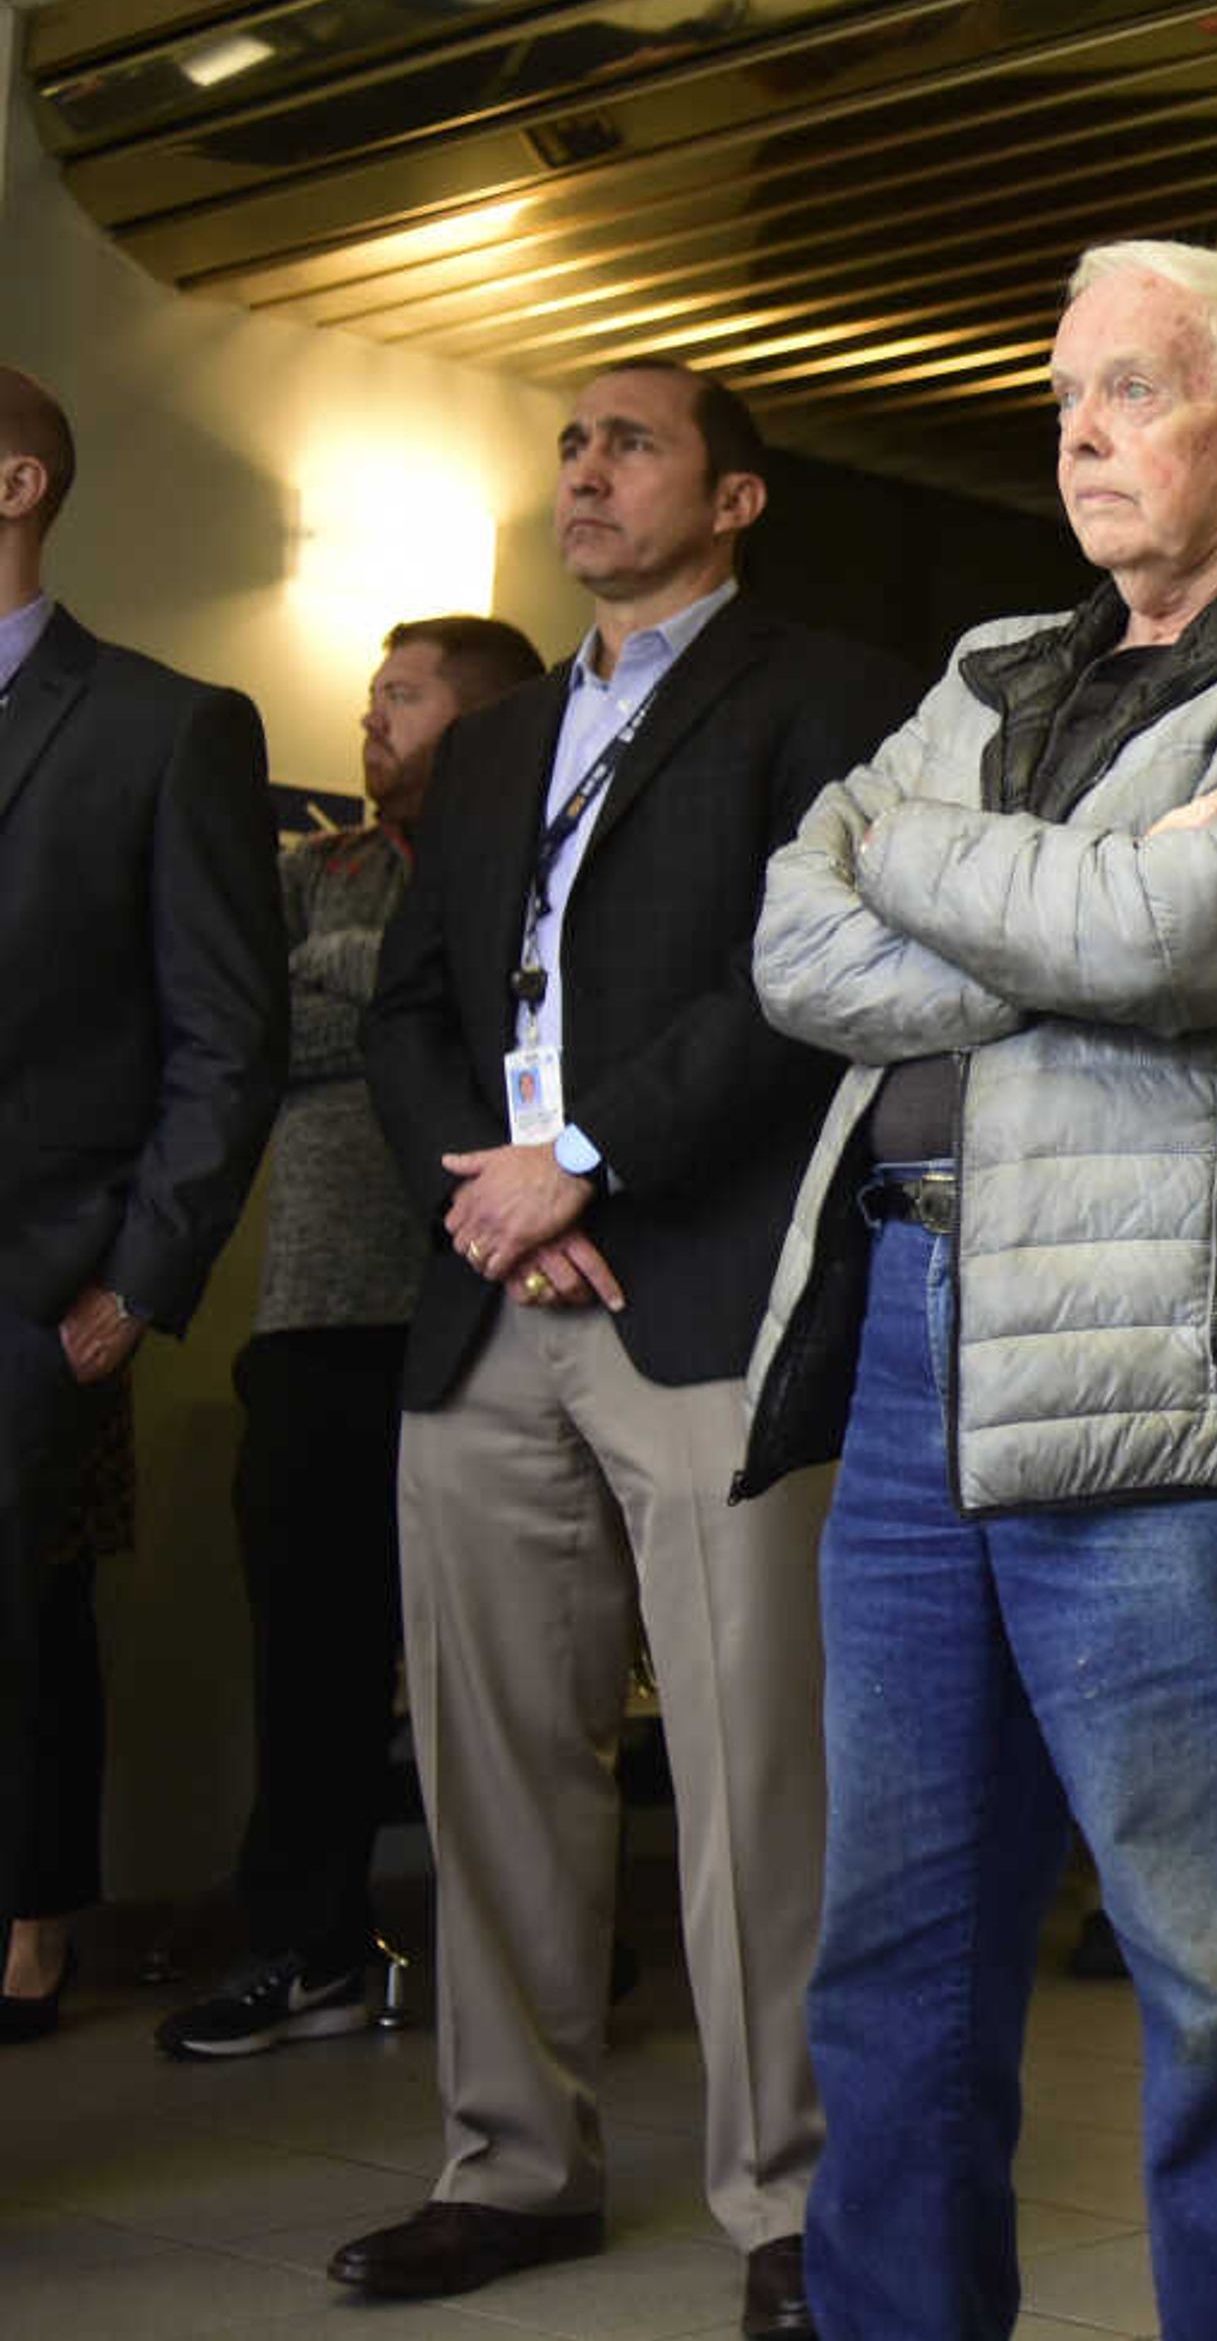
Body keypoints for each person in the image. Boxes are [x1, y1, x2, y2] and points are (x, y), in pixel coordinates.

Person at [741, 240, 1217, 2339]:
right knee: (895, 1952)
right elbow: (796, 933)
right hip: (905, 1353)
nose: (1078, 432)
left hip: (1166, 1377)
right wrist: (1075, 906)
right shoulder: (983, 670)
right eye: (1066, 394)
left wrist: (936, 868)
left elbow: (1180, 934)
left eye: (1134, 389)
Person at [347, 362, 917, 2328]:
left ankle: (792, 2205)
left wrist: (588, 1162)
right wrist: (490, 1192)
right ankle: (509, 2166)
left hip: (700, 1287)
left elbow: (809, 977)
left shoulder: (826, 692)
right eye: (572, 443)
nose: (585, 471)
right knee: (489, 1756)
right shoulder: (498, 740)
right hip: (491, 1296)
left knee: (762, 1767)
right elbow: (409, 1007)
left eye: (634, 443)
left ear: (736, 500)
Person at [158, 614, 546, 2062]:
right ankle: (304, 1948)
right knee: (310, 1659)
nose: (370, 717)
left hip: (501, 1310)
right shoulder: (307, 868)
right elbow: (242, 1022)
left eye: (403, 693)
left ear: (493, 717)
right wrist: (379, 987)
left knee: (511, 1667)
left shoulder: (529, 862)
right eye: (372, 692)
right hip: (319, 1320)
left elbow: (498, 1032)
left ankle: (540, 1951)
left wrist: (370, 993)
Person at [0, 363, 286, 2047]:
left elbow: (223, 1038)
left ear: (18, 482)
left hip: (31, 1283)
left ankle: (29, 1936)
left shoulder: (164, 724)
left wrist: (136, 1275)